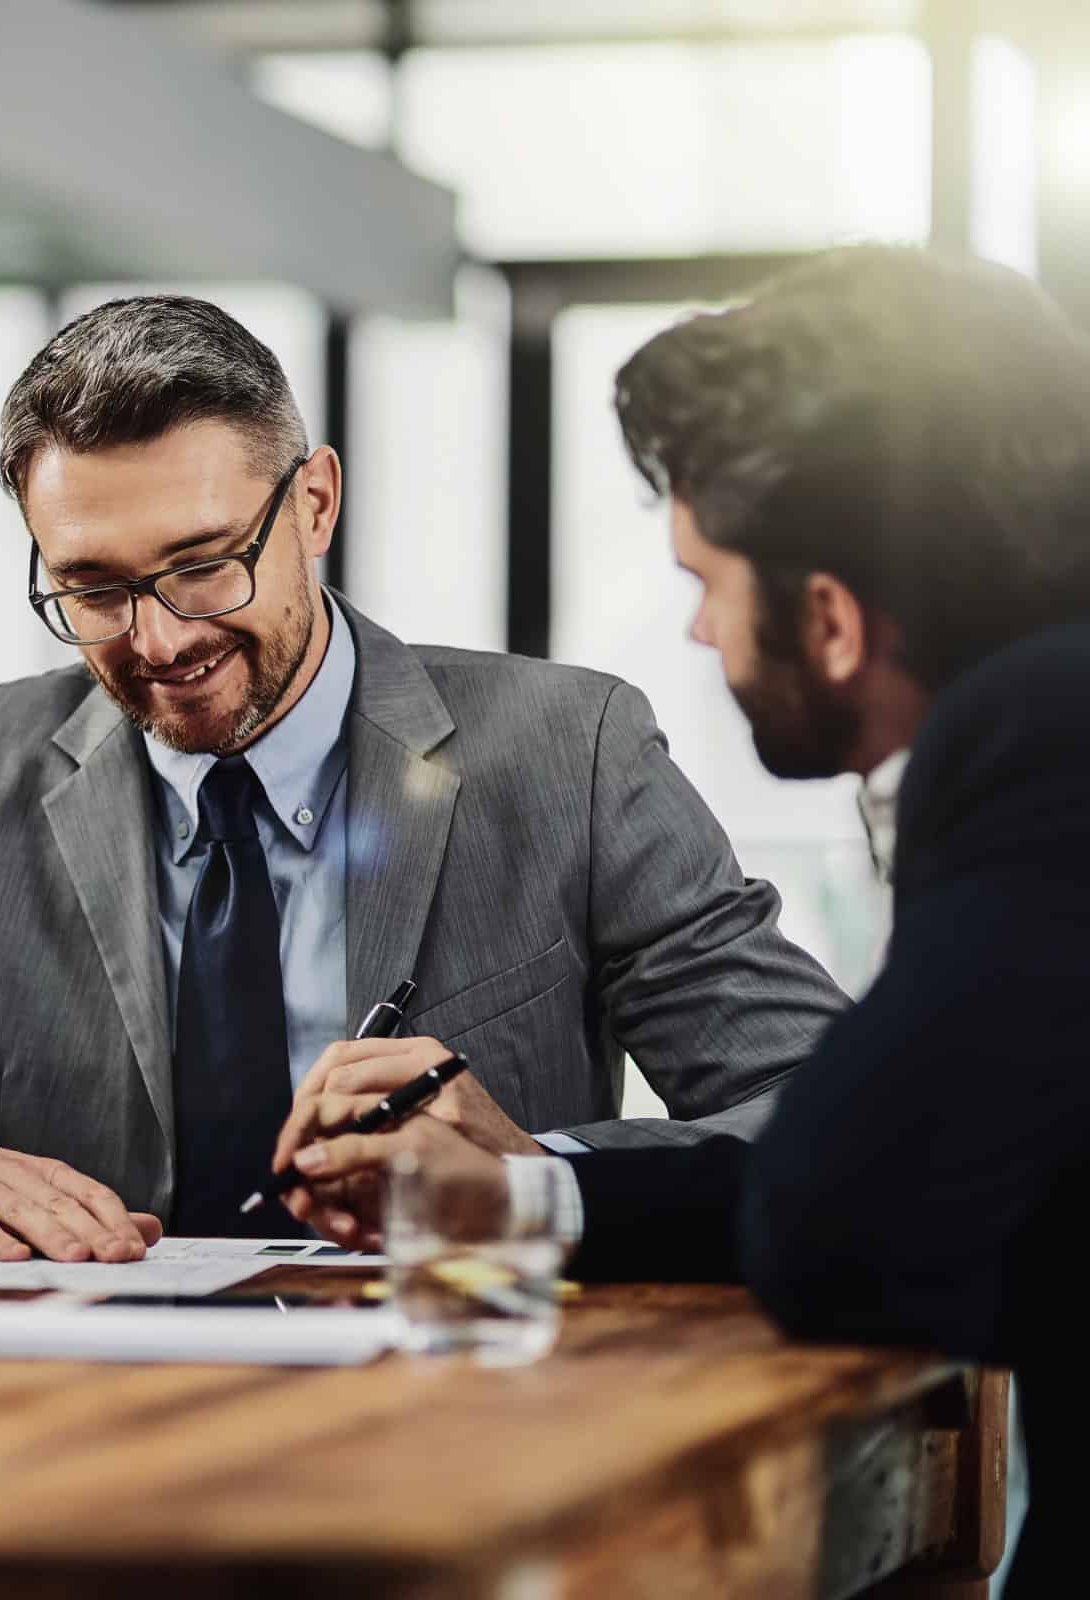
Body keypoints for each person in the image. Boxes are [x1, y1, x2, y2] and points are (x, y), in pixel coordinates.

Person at [0, 295, 845, 1261]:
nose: (158, 640)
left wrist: (534, 1176)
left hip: (460, 1405)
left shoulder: (566, 750)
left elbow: (822, 1104)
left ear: (313, 504)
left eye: (205, 565)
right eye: (94, 587)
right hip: (90, 1431)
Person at [273, 247, 1090, 1590]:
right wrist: (528, 1189)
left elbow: (846, 1212)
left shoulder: (1037, 741)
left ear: (828, 617)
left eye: (708, 580)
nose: (703, 635)